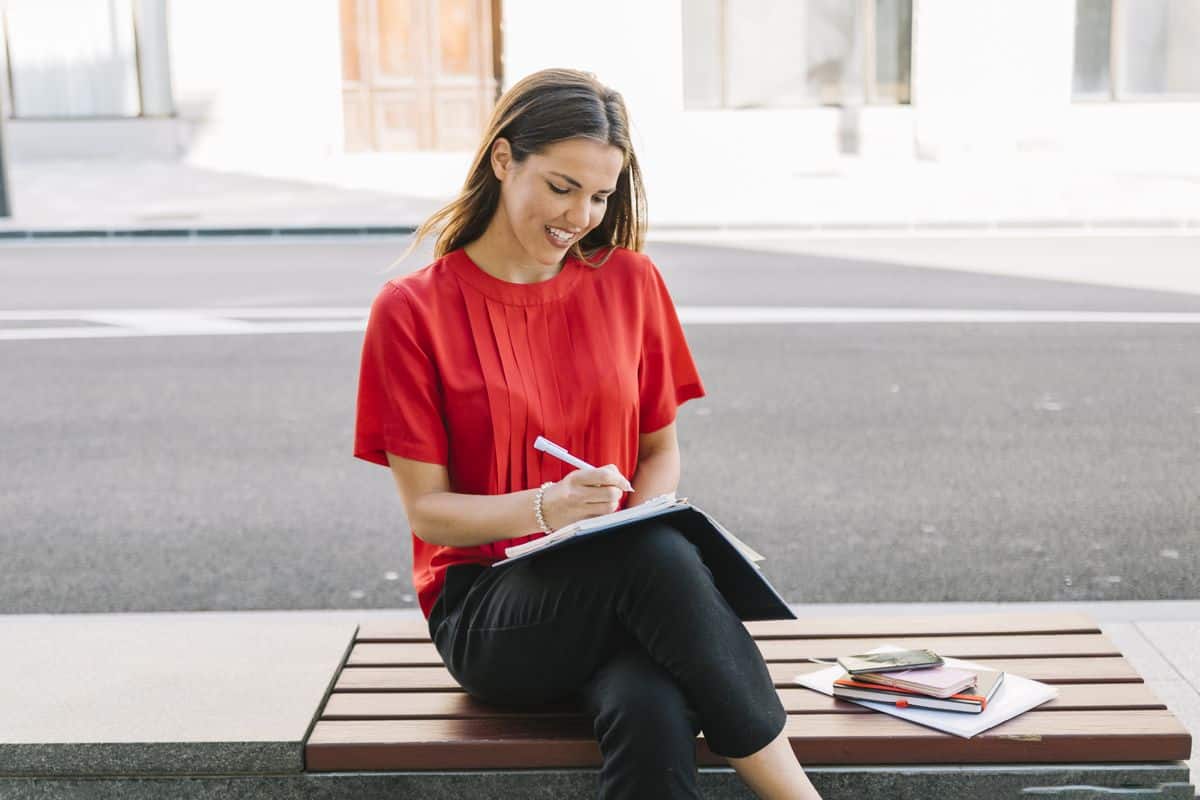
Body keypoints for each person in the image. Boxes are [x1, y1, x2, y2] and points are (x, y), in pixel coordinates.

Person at [353, 67, 824, 800]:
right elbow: (430, 513)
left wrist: (634, 514)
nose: (580, 216)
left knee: (652, 700)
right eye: (562, 187)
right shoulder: (411, 312)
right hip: (489, 609)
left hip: (624, 582)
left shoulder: (632, 282)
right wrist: (552, 508)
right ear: (504, 160)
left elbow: (659, 450)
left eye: (600, 196)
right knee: (657, 561)